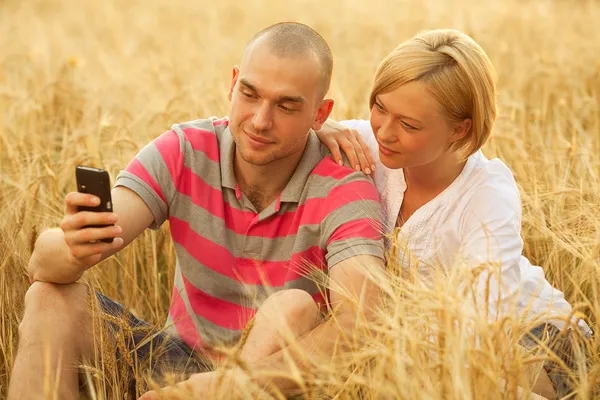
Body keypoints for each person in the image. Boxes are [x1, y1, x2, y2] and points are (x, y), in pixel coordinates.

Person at [8, 22, 385, 400]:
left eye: (286, 106)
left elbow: (362, 321)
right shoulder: (184, 150)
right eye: (250, 94)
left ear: (320, 115)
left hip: (272, 378)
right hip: (172, 358)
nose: (260, 120)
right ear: (233, 83)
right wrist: (74, 244)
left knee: (294, 306)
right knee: (48, 298)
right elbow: (42, 266)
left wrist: (232, 386)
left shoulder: (343, 186)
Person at [315, 28, 592, 399]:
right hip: (420, 346)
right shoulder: (363, 142)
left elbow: (484, 325)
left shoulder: (486, 193)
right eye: (379, 106)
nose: (385, 131)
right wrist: (318, 127)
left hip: (534, 342)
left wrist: (389, 345)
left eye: (409, 124)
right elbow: (257, 125)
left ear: (460, 130)